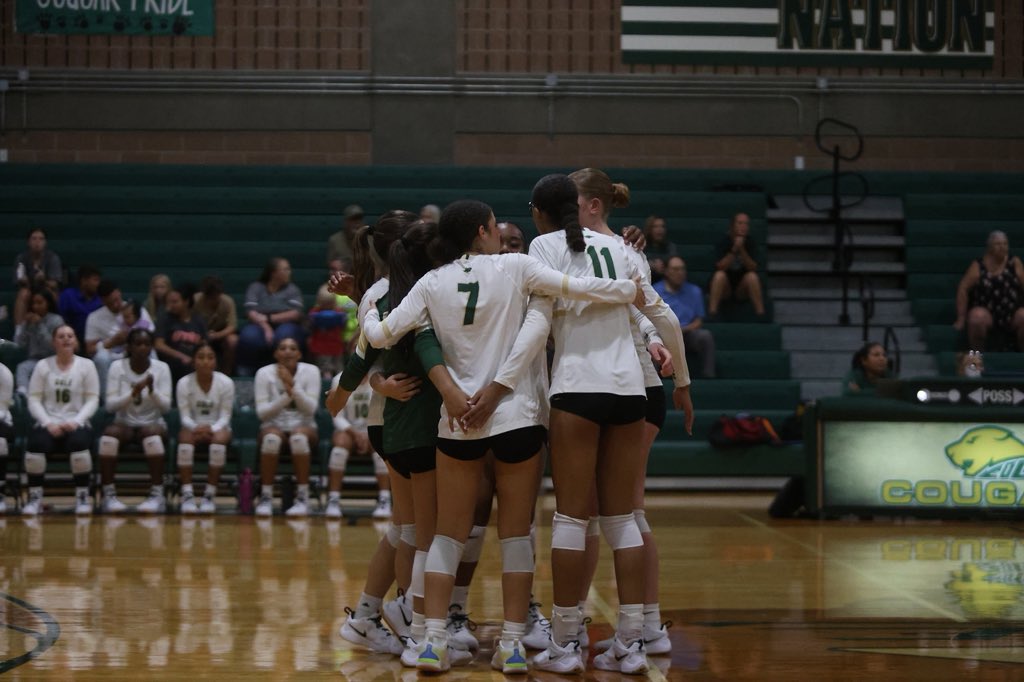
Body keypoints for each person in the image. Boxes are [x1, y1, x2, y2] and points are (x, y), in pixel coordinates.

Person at [359, 198, 646, 674]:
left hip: (458, 422)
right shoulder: (516, 266)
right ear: (481, 231)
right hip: (515, 418)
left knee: (446, 537)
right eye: (494, 226)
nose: (498, 233)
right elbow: (575, 286)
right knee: (516, 536)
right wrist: (625, 288)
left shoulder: (432, 281)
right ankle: (513, 644)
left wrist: (368, 314)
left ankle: (433, 641)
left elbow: (383, 334)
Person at [569, 168, 694, 664]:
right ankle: (617, 624)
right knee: (603, 510)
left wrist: (681, 379)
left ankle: (639, 625)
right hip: (621, 384)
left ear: (593, 204)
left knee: (620, 511)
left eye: (573, 201)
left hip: (634, 385)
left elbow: (657, 315)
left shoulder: (621, 250)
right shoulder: (599, 247)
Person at [22, 325, 100, 516]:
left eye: (70, 336)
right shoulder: (42, 366)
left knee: (79, 443)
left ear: (76, 341)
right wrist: (48, 423)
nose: (66, 339)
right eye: (61, 336)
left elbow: (93, 399)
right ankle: (35, 498)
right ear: (53, 342)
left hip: (77, 423)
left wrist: (76, 422)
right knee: (35, 445)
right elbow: (34, 399)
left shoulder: (87, 366)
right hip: (49, 422)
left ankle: (82, 497)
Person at [99, 328, 173, 513]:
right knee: (108, 437)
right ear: (129, 347)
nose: (142, 348)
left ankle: (157, 494)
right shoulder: (117, 367)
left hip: (153, 423)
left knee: (151, 435)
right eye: (138, 344)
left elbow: (166, 407)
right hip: (124, 424)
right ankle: (108, 495)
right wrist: (133, 393)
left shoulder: (162, 368)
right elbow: (110, 406)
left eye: (147, 344)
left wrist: (152, 391)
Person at [253, 336, 320, 517]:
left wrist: (292, 384)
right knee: (271, 439)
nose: (287, 351)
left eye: (292, 348)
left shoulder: (311, 371)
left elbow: (311, 409)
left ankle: (303, 498)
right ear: (276, 354)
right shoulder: (263, 373)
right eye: (282, 348)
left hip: (304, 425)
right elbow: (262, 413)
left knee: (298, 438)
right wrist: (288, 395)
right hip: (273, 425)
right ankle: (266, 497)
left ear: (299, 354)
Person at [175, 342, 234, 514]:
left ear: (215, 361)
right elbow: (184, 417)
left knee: (218, 442)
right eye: (200, 357)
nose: (205, 361)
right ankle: (187, 494)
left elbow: (225, 417)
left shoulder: (226, 382)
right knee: (184, 441)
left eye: (210, 357)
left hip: (218, 426)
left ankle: (209, 494)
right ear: (193, 361)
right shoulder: (183, 383)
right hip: (192, 426)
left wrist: (212, 429)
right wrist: (197, 427)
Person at [324, 376, 391, 520]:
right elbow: (337, 415)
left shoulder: (379, 377)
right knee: (339, 447)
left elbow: (385, 413)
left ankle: (385, 499)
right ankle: (333, 499)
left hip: (374, 428)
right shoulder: (340, 379)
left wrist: (369, 433)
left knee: (380, 445)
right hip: (349, 431)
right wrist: (356, 434)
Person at [954, 230, 1024, 352]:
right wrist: (961, 318)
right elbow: (963, 288)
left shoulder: (1014, 263)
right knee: (977, 317)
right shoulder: (978, 265)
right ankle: (977, 357)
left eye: (1005, 244)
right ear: (990, 247)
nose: (1002, 247)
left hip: (1012, 312)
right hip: (986, 311)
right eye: (998, 244)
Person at [238, 258, 305, 374]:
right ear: (273, 273)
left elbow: (295, 313)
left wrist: (270, 318)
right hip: (259, 323)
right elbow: (250, 312)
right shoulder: (256, 287)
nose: (289, 272)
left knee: (284, 336)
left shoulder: (292, 289)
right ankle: (247, 371)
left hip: (286, 323)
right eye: (285, 269)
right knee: (248, 336)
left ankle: (286, 370)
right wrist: (266, 327)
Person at [85, 280, 154, 392]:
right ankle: (107, 397)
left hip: (136, 349)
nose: (116, 305)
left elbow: (151, 335)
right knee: (101, 359)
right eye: (110, 303)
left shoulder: (137, 310)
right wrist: (112, 342)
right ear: (102, 301)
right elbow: (90, 349)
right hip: (112, 352)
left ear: (119, 293)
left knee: (151, 352)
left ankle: (152, 391)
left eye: (117, 300)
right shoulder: (94, 317)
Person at [655, 255, 716, 379]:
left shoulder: (694, 291)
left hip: (686, 334)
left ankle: (708, 375)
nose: (680, 273)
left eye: (682, 269)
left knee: (705, 336)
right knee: (651, 340)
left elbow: (698, 321)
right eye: (675, 269)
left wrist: (682, 330)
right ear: (666, 272)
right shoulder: (655, 291)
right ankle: (654, 380)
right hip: (663, 334)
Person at [708, 212, 765, 316]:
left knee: (752, 277)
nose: (743, 226)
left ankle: (760, 314)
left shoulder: (751, 242)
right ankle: (712, 313)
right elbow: (720, 267)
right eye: (740, 223)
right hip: (725, 287)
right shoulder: (723, 241)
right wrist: (734, 250)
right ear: (732, 226)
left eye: (746, 224)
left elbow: (753, 268)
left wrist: (742, 250)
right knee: (719, 275)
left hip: (742, 288)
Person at [154, 285, 208, 384]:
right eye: (169, 302)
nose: (171, 305)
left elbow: (204, 343)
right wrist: (181, 356)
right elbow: (159, 344)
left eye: (175, 302)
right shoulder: (165, 319)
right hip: (172, 364)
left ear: (186, 302)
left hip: (193, 364)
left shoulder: (198, 320)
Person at [14, 287, 64, 392]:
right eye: (33, 303)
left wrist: (40, 325)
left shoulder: (56, 320)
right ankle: (23, 394)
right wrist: (24, 326)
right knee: (22, 367)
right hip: (34, 360)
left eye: (39, 303)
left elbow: (53, 346)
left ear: (48, 303)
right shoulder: (29, 321)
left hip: (53, 359)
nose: (35, 306)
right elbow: (19, 344)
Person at [12, 227, 63, 326]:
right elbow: (18, 281)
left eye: (41, 239)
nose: (37, 242)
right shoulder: (21, 258)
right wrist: (24, 280)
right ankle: (19, 330)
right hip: (29, 290)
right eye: (34, 238)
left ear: (45, 242)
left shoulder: (52, 258)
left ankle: (55, 326)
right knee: (23, 293)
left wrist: (44, 280)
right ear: (28, 242)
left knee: (52, 294)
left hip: (46, 289)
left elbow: (54, 284)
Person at [193, 275, 238, 377]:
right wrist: (202, 335)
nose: (213, 300)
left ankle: (226, 373)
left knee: (233, 341)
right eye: (210, 298)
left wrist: (217, 335)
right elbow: (188, 321)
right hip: (198, 332)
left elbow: (232, 326)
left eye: (216, 296)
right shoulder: (195, 301)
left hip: (219, 333)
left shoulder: (228, 302)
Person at [308, 282, 350, 380]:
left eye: (329, 304)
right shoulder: (315, 312)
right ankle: (328, 382)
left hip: (336, 344)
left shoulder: (339, 312)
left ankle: (338, 382)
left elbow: (343, 325)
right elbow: (310, 325)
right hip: (321, 345)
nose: (327, 307)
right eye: (324, 304)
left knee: (338, 367)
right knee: (326, 368)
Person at [58, 264, 103, 346]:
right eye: (95, 280)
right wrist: (72, 338)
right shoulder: (68, 296)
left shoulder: (101, 298)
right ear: (84, 281)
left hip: (96, 343)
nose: (98, 284)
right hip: (72, 342)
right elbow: (62, 321)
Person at [642, 215, 677, 283]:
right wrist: (652, 265)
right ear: (649, 229)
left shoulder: (670, 247)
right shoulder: (641, 246)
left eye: (662, 226)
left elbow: (674, 262)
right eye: (655, 226)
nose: (660, 229)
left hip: (666, 284)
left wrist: (662, 266)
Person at [0, 363, 13, 514]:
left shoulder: (4, 372)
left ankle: (1, 492)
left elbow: (2, 407)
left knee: (0, 442)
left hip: (2, 420)